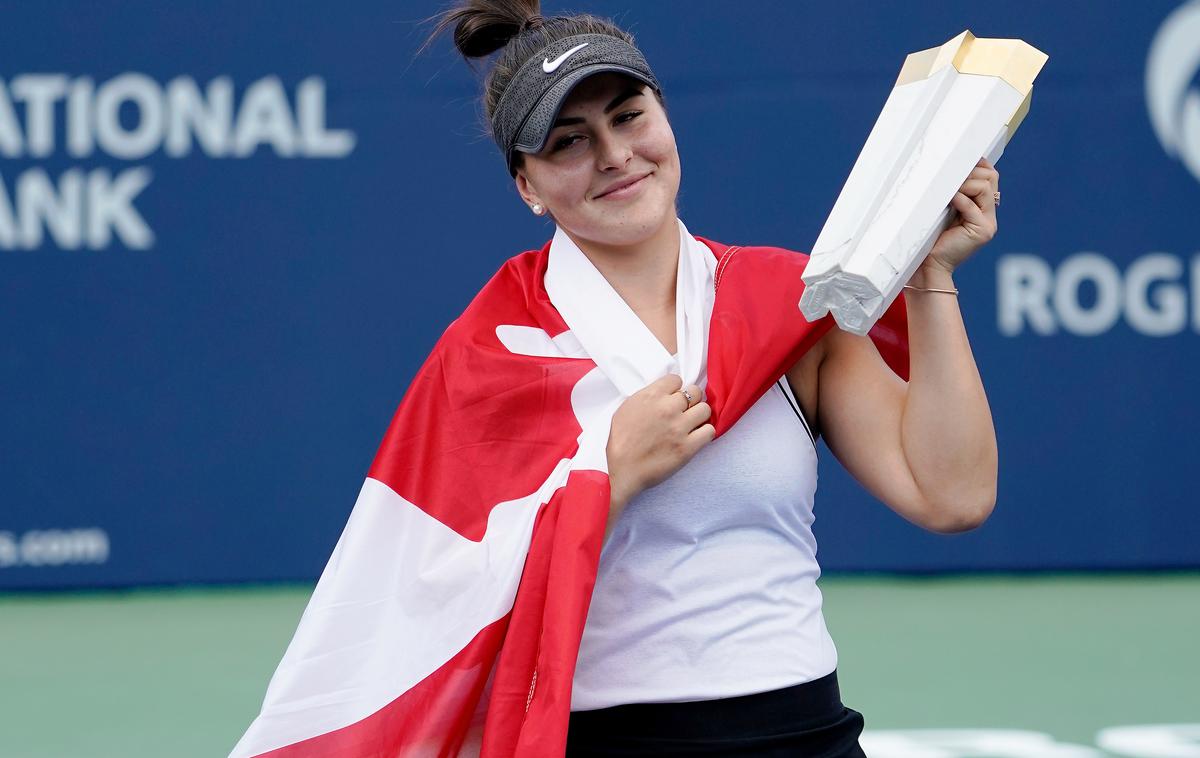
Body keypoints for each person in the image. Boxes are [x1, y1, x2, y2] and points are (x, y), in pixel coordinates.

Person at [236, 3, 998, 757]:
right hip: (604, 739)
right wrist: (609, 476)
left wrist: (929, 277)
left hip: (803, 733)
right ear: (526, 187)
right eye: (569, 141)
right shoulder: (490, 352)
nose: (614, 154)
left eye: (630, 116)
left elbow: (951, 496)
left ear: (666, 117)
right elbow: (424, 594)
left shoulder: (786, 304)